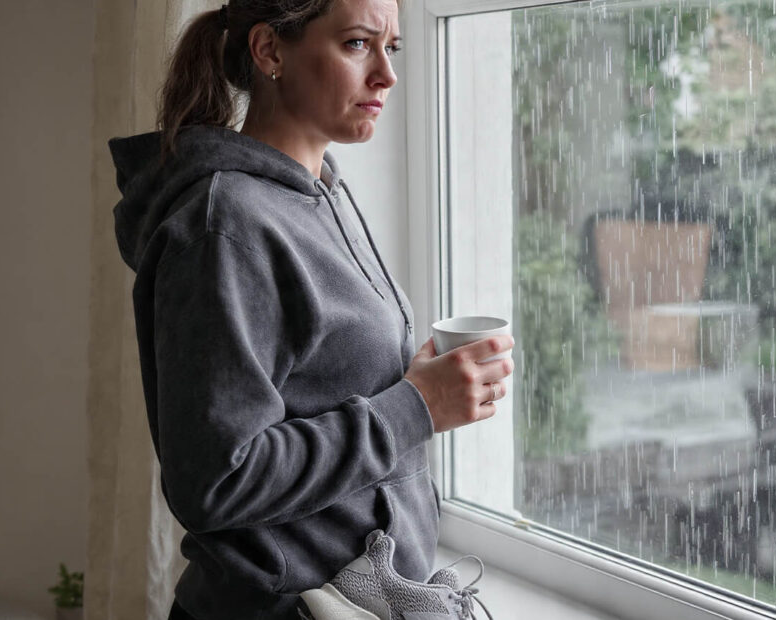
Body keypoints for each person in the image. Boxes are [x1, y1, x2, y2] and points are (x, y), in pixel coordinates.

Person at [107, 0, 514, 618]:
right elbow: (216, 480)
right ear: (270, 51)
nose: (387, 74)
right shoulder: (224, 226)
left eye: (393, 48)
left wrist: (417, 381)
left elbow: (321, 380)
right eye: (357, 44)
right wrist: (416, 407)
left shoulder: (324, 190)